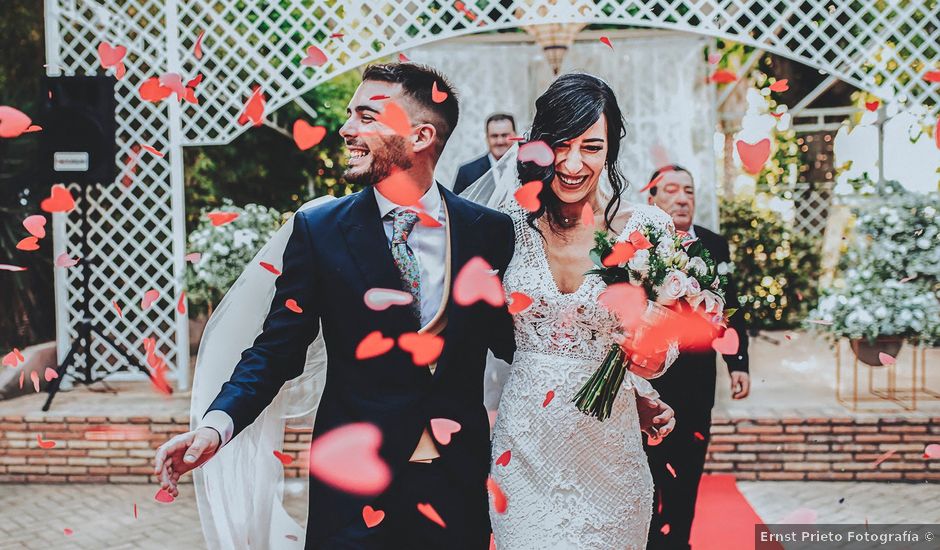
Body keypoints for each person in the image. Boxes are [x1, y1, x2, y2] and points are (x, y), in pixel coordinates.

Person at [153, 63, 518, 549]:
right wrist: (215, 427)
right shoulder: (320, 232)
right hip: (351, 493)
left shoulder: (488, 232)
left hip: (453, 485)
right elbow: (276, 350)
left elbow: (518, 344)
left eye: (367, 116)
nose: (347, 129)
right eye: (351, 115)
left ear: (421, 135)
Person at [467, 73, 679, 549]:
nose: (573, 163)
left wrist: (644, 369)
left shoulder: (645, 230)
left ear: (610, 152)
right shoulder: (507, 229)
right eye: (561, 145)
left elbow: (661, 349)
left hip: (610, 454)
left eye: (592, 147)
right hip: (524, 450)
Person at [642, 164, 750, 550]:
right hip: (647, 381)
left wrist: (738, 364)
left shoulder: (714, 244)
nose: (683, 198)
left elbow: (731, 306)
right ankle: (648, 540)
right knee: (648, 468)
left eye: (689, 190)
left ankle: (679, 542)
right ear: (651, 198)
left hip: (697, 378)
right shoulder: (636, 245)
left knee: (688, 468)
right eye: (671, 190)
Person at [452, 113, 516, 195]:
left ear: (515, 135)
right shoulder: (466, 172)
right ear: (487, 138)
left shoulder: (527, 169)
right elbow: (455, 206)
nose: (500, 141)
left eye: (504, 135)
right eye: (494, 136)